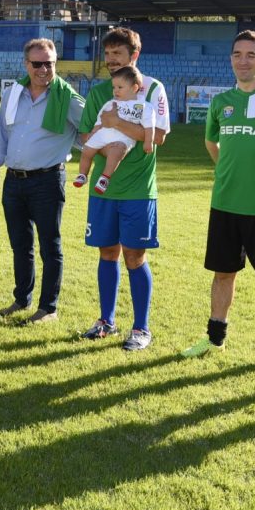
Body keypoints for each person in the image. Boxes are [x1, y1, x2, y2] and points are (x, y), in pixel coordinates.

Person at [181, 30, 255, 376]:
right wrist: (227, 172)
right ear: (231, 59)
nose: (244, 60)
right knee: (223, 273)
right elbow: (210, 142)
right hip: (225, 203)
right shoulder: (221, 102)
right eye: (238, 54)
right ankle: (215, 338)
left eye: (251, 54)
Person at [78, 28, 170, 349]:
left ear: (135, 55)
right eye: (107, 54)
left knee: (134, 255)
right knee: (107, 252)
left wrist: (117, 126)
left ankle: (141, 329)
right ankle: (106, 321)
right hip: (104, 190)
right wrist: (116, 146)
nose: (110, 61)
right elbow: (87, 138)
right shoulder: (99, 92)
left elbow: (157, 138)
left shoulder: (154, 89)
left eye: (117, 54)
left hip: (138, 190)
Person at [0, 38, 85, 322]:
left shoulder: (67, 98)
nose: (44, 69)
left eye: (49, 64)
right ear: (26, 64)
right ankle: (21, 300)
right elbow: (2, 134)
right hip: (14, 182)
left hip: (47, 181)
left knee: (50, 246)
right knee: (20, 245)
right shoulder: (15, 93)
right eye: (37, 63)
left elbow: (90, 128)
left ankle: (48, 308)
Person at [73, 65, 156, 193]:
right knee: (87, 150)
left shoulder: (143, 106)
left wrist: (148, 142)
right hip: (104, 134)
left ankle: (105, 178)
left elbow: (149, 126)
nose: (115, 91)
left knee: (116, 153)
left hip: (124, 139)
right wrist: (93, 132)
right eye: (114, 87)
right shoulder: (111, 103)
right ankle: (82, 175)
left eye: (120, 87)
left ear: (134, 88)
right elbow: (100, 120)